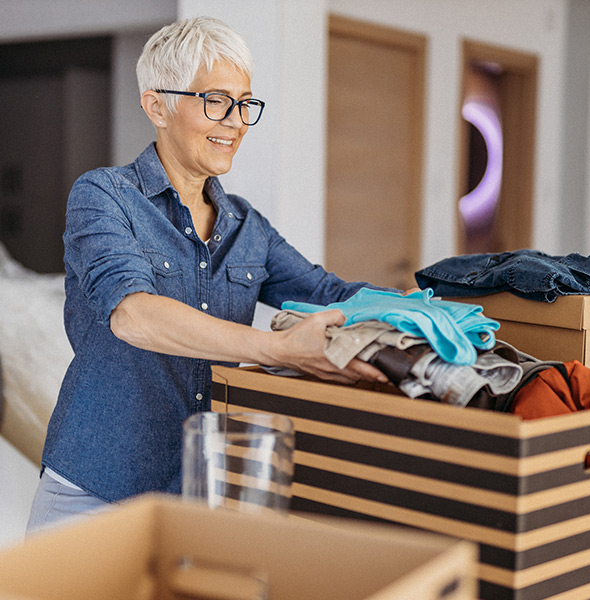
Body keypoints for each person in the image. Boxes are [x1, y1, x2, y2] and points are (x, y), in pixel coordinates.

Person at [26, 16, 394, 532]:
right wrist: (278, 349)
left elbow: (329, 293)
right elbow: (134, 315)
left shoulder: (247, 226)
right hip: (95, 488)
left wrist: (430, 307)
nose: (236, 121)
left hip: (199, 494)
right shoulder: (104, 196)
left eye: (244, 103)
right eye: (216, 101)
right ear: (157, 106)